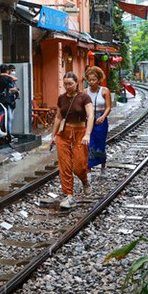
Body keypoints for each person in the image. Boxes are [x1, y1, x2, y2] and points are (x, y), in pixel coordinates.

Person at [50, 72, 94, 209]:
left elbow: (91, 115)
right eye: (65, 84)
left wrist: (87, 134)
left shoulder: (84, 97)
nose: (67, 86)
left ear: (77, 83)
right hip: (64, 134)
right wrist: (53, 135)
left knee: (79, 166)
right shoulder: (61, 98)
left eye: (70, 84)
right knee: (65, 166)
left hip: (80, 133)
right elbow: (58, 117)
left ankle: (85, 181)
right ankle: (68, 195)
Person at [85, 66, 113, 172]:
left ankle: (103, 165)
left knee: (100, 142)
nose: (91, 82)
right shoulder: (84, 92)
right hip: (89, 120)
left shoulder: (104, 91)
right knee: (89, 143)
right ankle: (89, 167)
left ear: (99, 79)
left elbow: (108, 107)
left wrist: (103, 116)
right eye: (89, 80)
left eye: (94, 80)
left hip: (101, 119)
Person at [0, 64, 20, 135]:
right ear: (7, 71)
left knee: (3, 118)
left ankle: (4, 134)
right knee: (9, 119)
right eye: (12, 71)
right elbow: (15, 79)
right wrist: (6, 75)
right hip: (6, 101)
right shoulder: (5, 79)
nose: (13, 72)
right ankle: (8, 134)